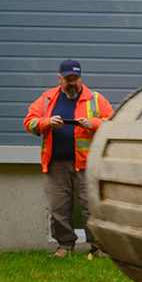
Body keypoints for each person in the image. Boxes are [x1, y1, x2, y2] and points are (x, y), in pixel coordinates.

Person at [24, 59, 115, 258]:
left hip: (87, 165)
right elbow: (29, 123)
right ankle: (64, 247)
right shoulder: (48, 99)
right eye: (67, 79)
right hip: (55, 164)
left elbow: (112, 123)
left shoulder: (96, 99)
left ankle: (98, 247)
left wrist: (92, 124)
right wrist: (47, 122)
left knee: (91, 207)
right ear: (60, 79)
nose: (72, 83)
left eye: (76, 79)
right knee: (58, 208)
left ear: (81, 78)